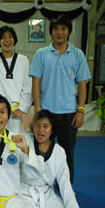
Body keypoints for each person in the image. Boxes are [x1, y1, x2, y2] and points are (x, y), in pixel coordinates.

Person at [30, 14, 91, 184]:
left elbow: (82, 84)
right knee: (41, 152)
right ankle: (39, 185)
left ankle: (66, 188)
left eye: (63, 29)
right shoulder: (41, 54)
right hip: (45, 113)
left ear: (69, 32)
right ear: (51, 32)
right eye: (56, 29)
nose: (59, 32)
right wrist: (37, 111)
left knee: (67, 154)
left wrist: (81, 110)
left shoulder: (77, 55)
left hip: (69, 113)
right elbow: (35, 82)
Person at [20, 109, 81, 208]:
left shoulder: (59, 152)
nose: (40, 129)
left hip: (47, 193)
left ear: (52, 129)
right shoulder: (24, 142)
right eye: (37, 125)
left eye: (45, 126)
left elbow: (65, 185)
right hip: (24, 192)